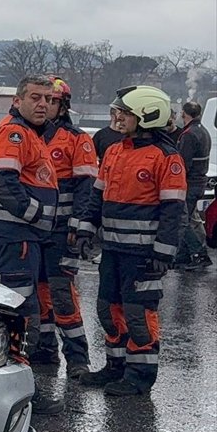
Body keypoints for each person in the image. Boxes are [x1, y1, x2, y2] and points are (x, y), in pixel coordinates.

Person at [76, 86, 186, 396]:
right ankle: (116, 368)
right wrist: (86, 229)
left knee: (138, 315)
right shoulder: (114, 151)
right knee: (107, 310)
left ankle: (140, 377)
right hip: (112, 251)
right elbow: (97, 195)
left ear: (146, 116)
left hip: (143, 255)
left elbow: (173, 209)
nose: (117, 118)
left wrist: (164, 252)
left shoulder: (167, 157)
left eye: (124, 113)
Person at [0, 76, 63, 414]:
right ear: (18, 100)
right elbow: (3, 182)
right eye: (35, 97)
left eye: (48, 98)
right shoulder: (15, 133)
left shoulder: (30, 133)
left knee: (13, 312)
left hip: (19, 238)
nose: (43, 104)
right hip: (14, 238)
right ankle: (20, 394)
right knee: (19, 315)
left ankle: (13, 390)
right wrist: (37, 215)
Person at [32, 78, 97, 378]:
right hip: (34, 228)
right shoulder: (29, 134)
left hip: (62, 229)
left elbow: (87, 187)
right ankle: (44, 349)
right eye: (43, 99)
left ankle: (77, 358)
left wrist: (80, 225)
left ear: (63, 105)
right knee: (36, 292)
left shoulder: (77, 139)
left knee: (62, 293)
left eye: (53, 100)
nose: (46, 105)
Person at [176, 100, 212, 270]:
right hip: (199, 182)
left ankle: (199, 254)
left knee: (183, 220)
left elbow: (183, 163)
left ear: (184, 114)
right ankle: (183, 256)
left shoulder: (189, 134)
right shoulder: (203, 131)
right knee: (188, 218)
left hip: (189, 183)